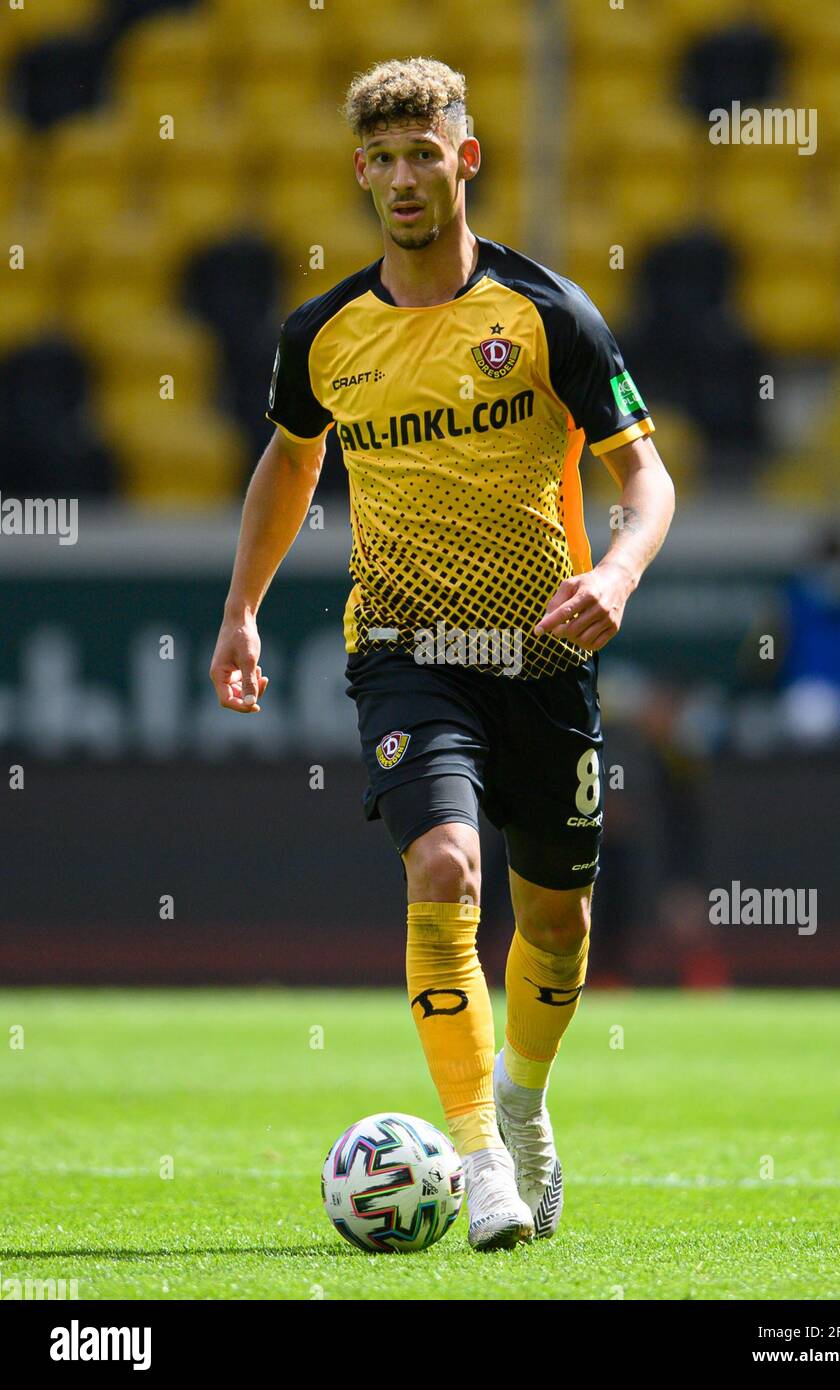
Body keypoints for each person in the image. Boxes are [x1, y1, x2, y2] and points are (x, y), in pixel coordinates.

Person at [210, 57, 675, 1251]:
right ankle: (477, 1158)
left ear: (465, 160)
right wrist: (241, 608)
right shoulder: (323, 336)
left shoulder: (546, 313)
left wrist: (614, 575)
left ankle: (519, 1099)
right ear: (359, 172)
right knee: (446, 870)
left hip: (543, 656)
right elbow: (289, 463)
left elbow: (646, 478)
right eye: (382, 157)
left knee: (557, 923)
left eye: (426, 152)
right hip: (409, 654)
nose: (404, 177)